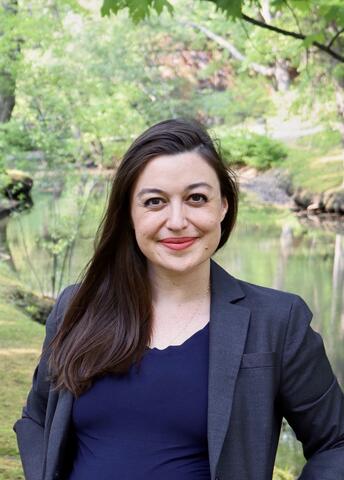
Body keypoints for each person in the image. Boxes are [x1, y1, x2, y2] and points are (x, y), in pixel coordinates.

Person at [14, 118, 344, 480]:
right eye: (155, 201)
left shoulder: (277, 322)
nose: (177, 221)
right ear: (129, 214)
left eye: (196, 198)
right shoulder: (76, 307)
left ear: (223, 206)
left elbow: (335, 443)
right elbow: (36, 418)